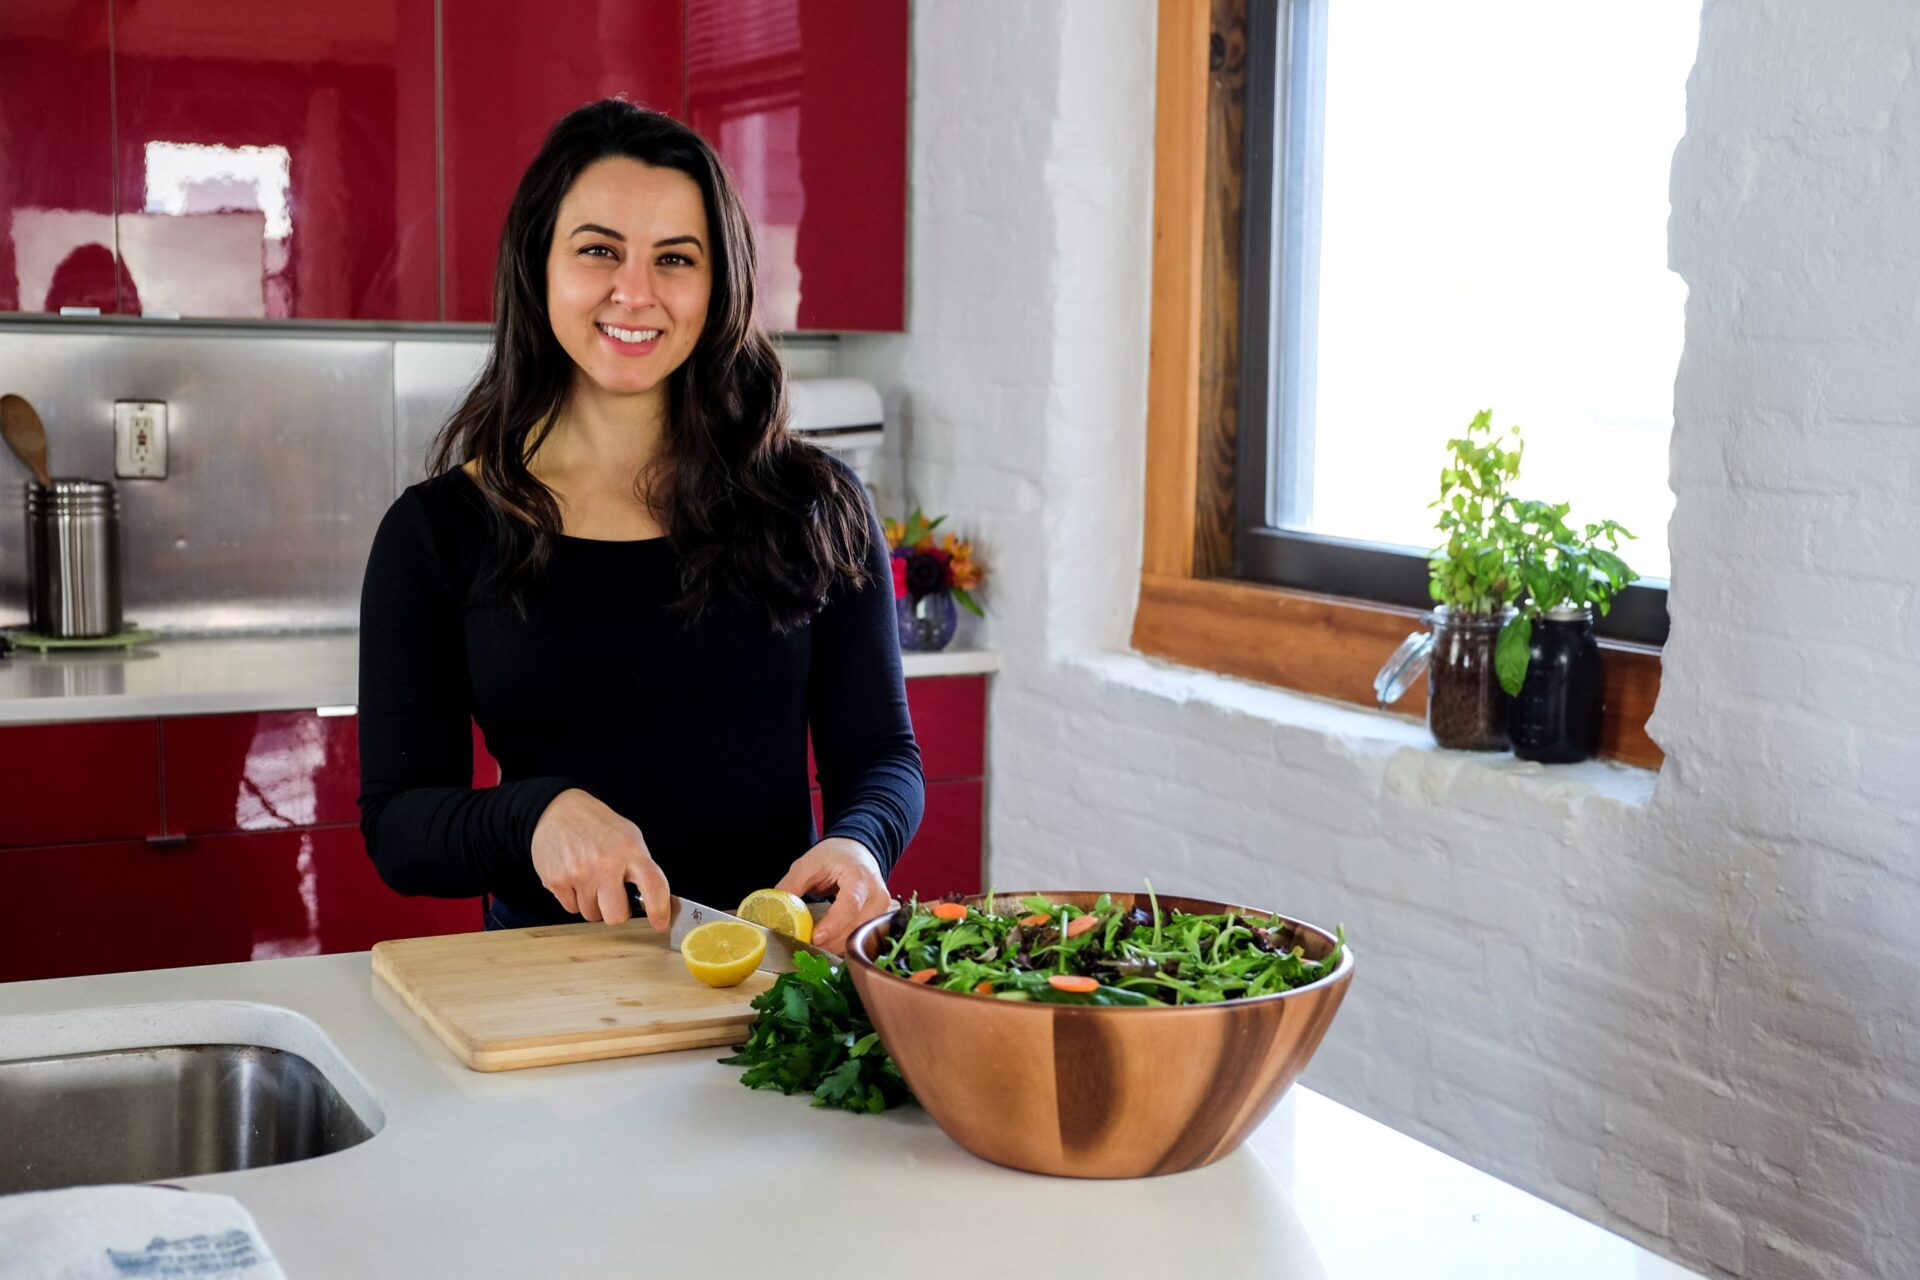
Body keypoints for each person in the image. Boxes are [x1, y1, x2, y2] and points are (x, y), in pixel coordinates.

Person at [356, 99, 923, 953]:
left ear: (718, 282)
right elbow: (399, 827)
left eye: (676, 258)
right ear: (538, 265)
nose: (637, 292)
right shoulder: (438, 532)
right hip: (544, 992)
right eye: (599, 251)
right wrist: (532, 814)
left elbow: (882, 755)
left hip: (771, 980)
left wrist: (859, 840)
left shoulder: (813, 505)